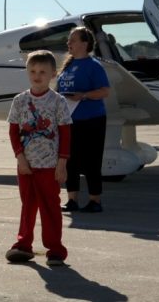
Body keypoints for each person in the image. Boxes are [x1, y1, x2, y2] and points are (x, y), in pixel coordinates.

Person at [5, 50, 72, 266]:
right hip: (26, 165)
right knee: (28, 205)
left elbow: (65, 133)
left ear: (53, 74)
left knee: (50, 206)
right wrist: (20, 158)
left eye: (43, 71)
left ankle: (55, 249)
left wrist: (62, 163)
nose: (37, 75)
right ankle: (23, 245)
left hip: (49, 166)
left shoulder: (58, 101)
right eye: (33, 71)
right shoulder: (20, 100)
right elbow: (14, 131)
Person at [55, 27, 110, 213]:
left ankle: (95, 200)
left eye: (73, 40)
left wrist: (84, 95)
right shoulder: (68, 66)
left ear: (85, 44)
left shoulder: (94, 65)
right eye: (69, 40)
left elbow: (105, 91)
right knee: (70, 160)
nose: (69, 43)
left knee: (92, 160)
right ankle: (72, 200)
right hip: (69, 120)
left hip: (92, 119)